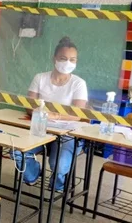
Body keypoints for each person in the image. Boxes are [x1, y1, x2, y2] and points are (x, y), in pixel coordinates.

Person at [13, 36, 88, 192]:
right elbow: (30, 105)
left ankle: (58, 184)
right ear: (54, 59)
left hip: (67, 132)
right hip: (39, 128)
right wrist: (37, 111)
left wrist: (55, 116)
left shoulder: (78, 83)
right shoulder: (40, 78)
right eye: (63, 58)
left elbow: (78, 114)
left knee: (59, 164)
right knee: (16, 151)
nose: (68, 63)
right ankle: (33, 174)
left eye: (72, 60)